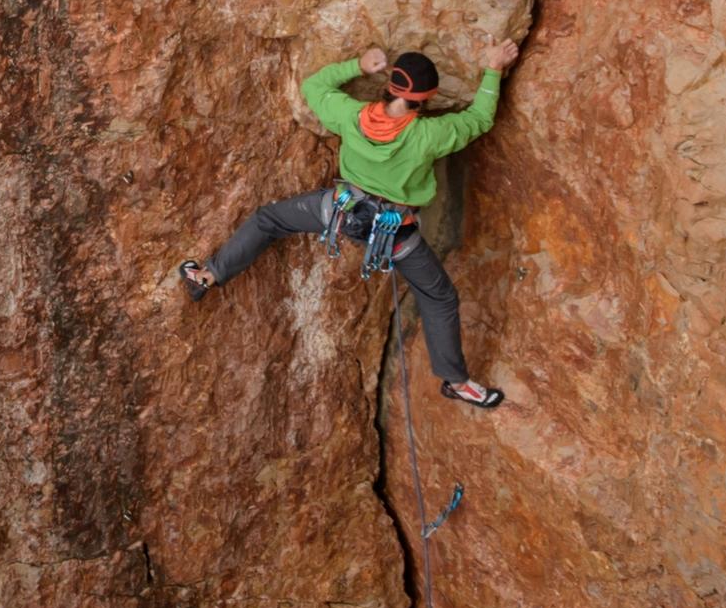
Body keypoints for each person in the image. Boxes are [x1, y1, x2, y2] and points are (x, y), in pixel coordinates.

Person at [179, 39, 522, 407]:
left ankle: (207, 276)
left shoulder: (351, 116)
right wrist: (493, 68)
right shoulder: (428, 136)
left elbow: (313, 87)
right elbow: (479, 119)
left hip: (340, 212)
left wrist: (357, 66)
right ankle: (456, 382)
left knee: (269, 219)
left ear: (390, 86)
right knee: (438, 297)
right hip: (395, 234)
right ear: (427, 98)